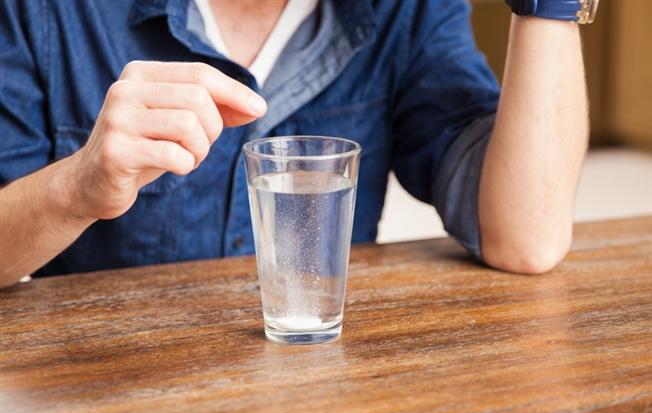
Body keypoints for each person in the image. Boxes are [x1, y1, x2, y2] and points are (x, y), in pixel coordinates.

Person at [0, 0, 594, 288]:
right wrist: (78, 187)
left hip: (318, 397)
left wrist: (550, 7)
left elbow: (528, 239)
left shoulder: (407, 9)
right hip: (105, 403)